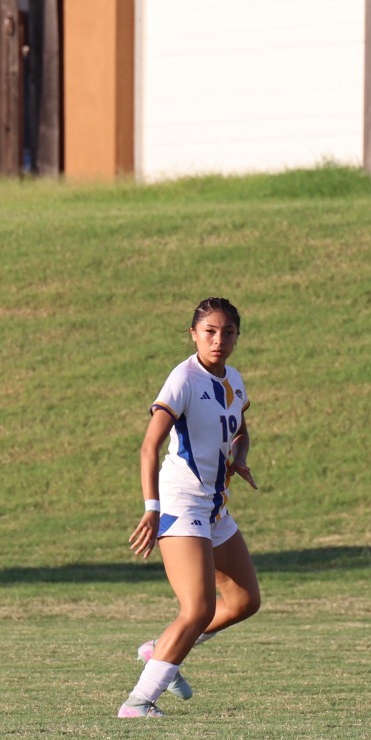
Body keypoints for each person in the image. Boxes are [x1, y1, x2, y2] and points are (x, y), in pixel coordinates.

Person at [120, 298, 262, 718]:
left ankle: (160, 648)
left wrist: (239, 456)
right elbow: (150, 446)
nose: (219, 340)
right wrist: (151, 507)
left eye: (228, 332)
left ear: (238, 335)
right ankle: (139, 702)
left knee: (243, 602)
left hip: (215, 506)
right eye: (210, 332)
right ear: (193, 334)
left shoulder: (234, 380)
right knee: (198, 608)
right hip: (182, 503)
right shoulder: (183, 379)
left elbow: (241, 431)